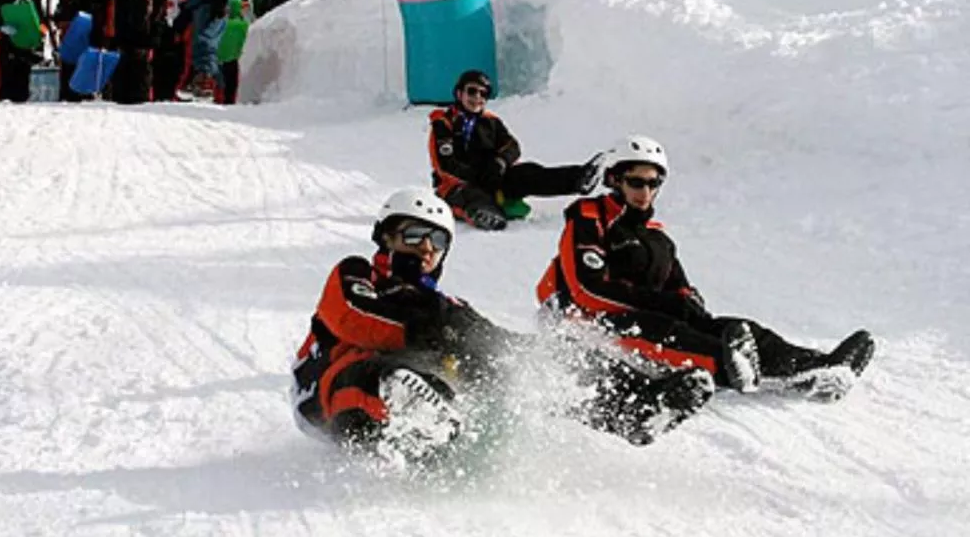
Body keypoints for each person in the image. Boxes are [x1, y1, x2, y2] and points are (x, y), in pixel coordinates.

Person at [292, 188, 714, 462]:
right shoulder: (357, 275)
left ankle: (633, 407)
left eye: (437, 241)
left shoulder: (447, 306)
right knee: (380, 368)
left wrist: (535, 363)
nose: (425, 248)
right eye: (414, 235)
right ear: (386, 237)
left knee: (519, 359)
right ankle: (417, 409)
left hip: (415, 393)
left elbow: (497, 346)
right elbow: (354, 318)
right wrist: (432, 327)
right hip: (334, 398)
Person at [535, 135, 876, 400]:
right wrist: (668, 304)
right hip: (580, 325)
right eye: (636, 182)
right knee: (661, 326)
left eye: (653, 183)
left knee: (733, 327)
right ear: (616, 180)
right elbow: (587, 291)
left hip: (639, 316)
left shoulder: (657, 237)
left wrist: (689, 302)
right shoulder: (589, 219)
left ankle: (815, 368)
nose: (645, 191)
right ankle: (727, 366)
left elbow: (677, 286)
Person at [428, 69, 606, 231]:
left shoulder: (490, 122)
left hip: (493, 179)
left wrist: (500, 162)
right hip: (456, 184)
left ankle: (579, 179)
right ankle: (485, 214)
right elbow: (445, 165)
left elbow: (512, 146)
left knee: (528, 173)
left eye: (483, 94)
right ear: (459, 93)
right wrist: (479, 176)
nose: (477, 98)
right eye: (472, 91)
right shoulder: (444, 124)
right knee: (469, 197)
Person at [53, 0, 109, 101]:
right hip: (72, 46)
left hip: (93, 45)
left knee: (88, 90)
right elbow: (58, 17)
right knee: (69, 87)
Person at [0, 0, 45, 103]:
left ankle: (22, 100)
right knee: (7, 71)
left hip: (25, 38)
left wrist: (40, 32)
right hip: (7, 38)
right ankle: (4, 100)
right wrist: (0, 26)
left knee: (23, 71)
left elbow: (39, 14)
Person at [150, 0, 191, 101]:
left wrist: (178, 28)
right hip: (159, 31)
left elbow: (187, 7)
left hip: (177, 31)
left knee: (174, 67)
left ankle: (173, 95)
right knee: (158, 68)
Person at [215, 0, 251, 105]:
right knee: (231, 81)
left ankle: (220, 99)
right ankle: (228, 101)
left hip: (219, 56)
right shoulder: (241, 24)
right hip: (232, 57)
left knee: (221, 81)